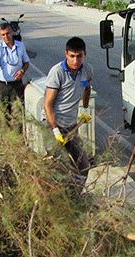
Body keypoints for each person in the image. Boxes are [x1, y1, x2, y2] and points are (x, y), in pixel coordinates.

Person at [43, 37, 94, 176]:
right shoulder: (57, 72)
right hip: (54, 124)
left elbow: (87, 88)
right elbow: (48, 104)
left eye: (79, 56)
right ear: (66, 54)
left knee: (83, 166)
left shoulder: (87, 70)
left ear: (85, 55)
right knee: (59, 168)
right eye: (72, 56)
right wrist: (55, 131)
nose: (75, 60)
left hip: (71, 126)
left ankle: (77, 195)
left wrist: (85, 109)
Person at [0, 23, 30, 128]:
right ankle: (6, 138)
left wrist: (22, 71)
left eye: (8, 34)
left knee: (18, 113)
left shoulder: (20, 46)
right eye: (3, 35)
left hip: (16, 85)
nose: (6, 37)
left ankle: (18, 138)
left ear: (12, 33)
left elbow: (26, 63)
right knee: (3, 115)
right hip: (2, 85)